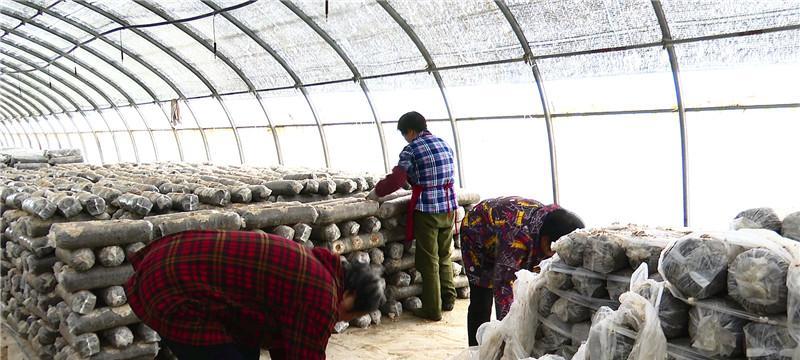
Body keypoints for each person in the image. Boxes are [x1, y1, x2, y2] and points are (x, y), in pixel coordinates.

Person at [124, 230, 385, 360]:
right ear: (350, 293)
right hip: (172, 287)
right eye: (350, 313)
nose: (342, 318)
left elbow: (288, 345)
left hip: (170, 265)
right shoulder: (322, 294)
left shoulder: (321, 267)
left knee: (246, 350)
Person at [368, 111, 458, 321]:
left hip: (427, 209)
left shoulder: (411, 149)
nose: (405, 138)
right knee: (444, 255)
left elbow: (397, 179)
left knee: (429, 260)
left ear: (410, 131)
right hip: (448, 206)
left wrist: (377, 192)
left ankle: (432, 309)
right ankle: (448, 299)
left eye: (404, 134)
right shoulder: (444, 143)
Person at [460, 197, 584, 346]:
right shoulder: (516, 240)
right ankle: (476, 349)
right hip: (478, 232)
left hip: (506, 229)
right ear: (545, 241)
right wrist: (508, 339)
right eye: (554, 251)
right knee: (482, 298)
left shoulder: (554, 223)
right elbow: (504, 290)